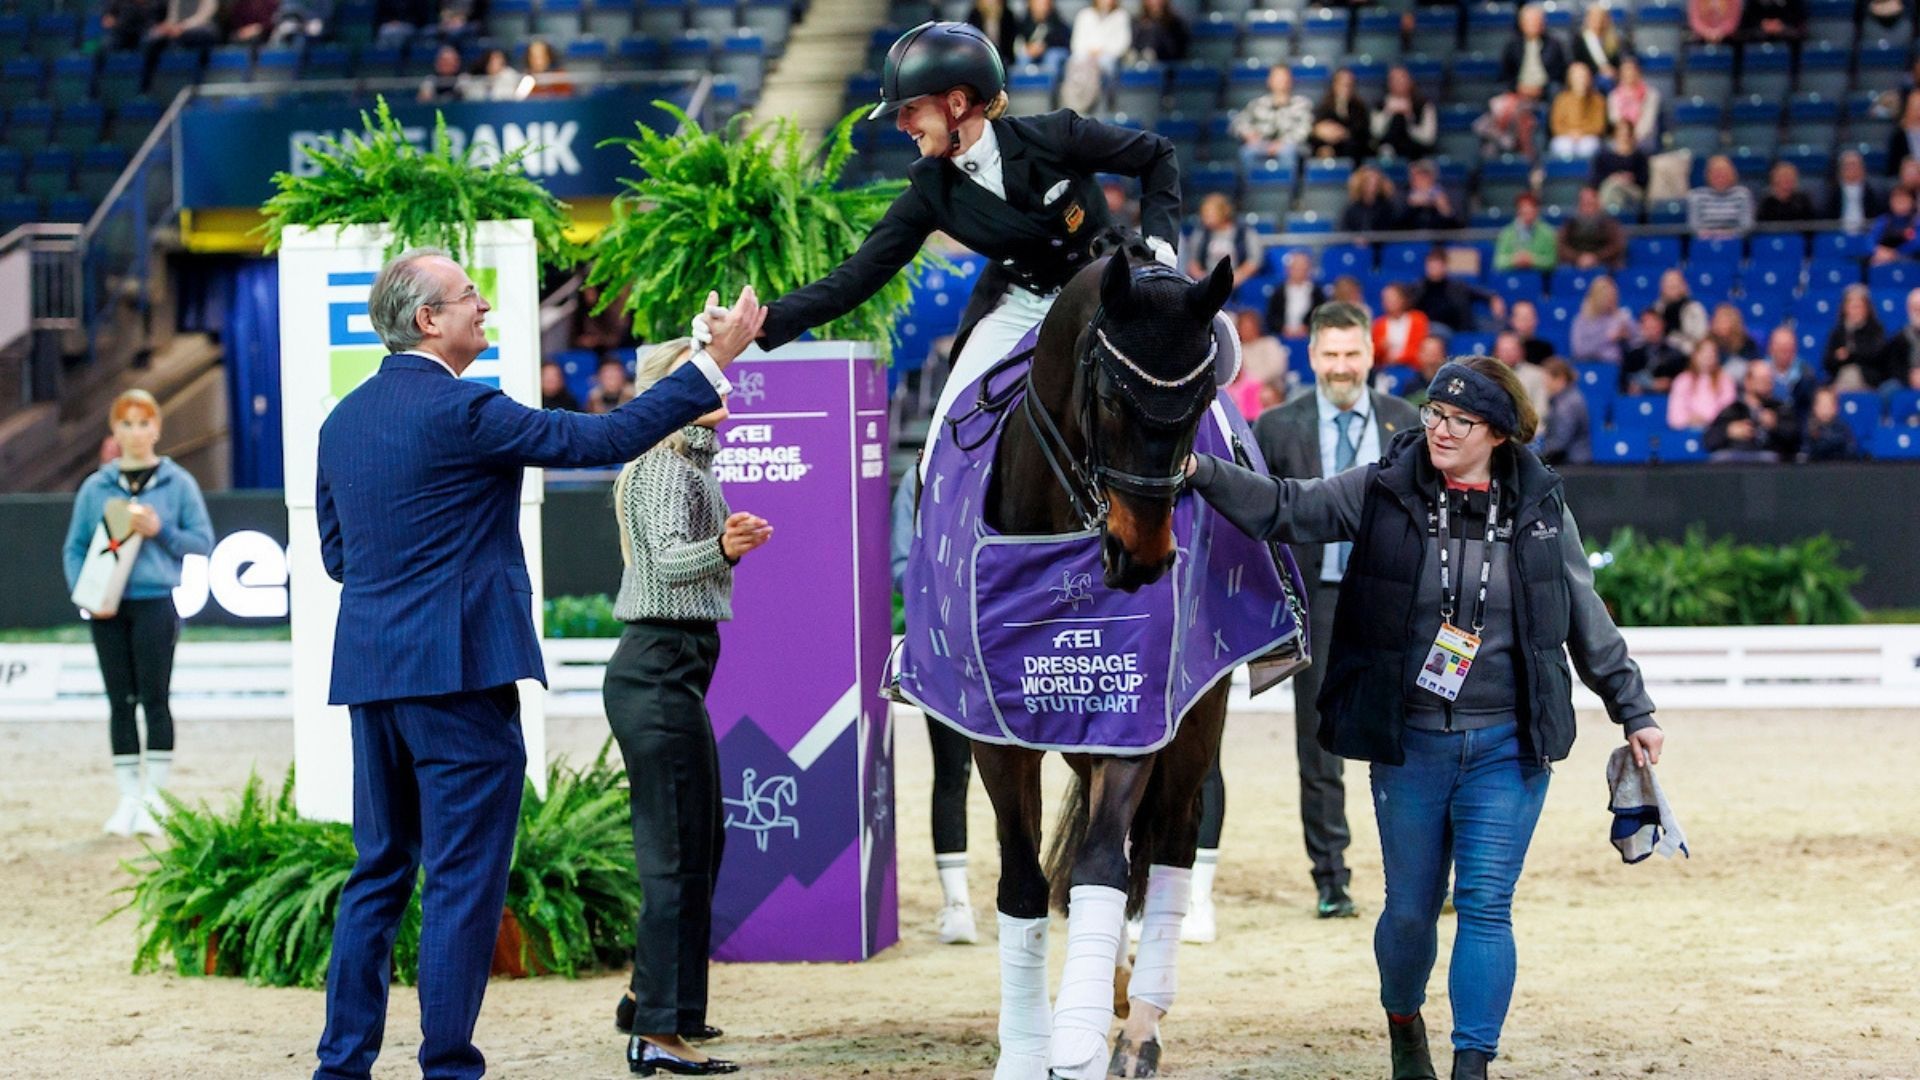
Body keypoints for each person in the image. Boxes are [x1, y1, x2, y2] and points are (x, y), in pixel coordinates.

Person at [308, 251, 758, 1080]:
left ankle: (342, 1065)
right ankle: (446, 1067)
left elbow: (339, 558)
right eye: (468, 297)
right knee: (461, 881)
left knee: (378, 871)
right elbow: (606, 436)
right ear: (427, 320)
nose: (484, 306)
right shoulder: (466, 410)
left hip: (373, 675)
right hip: (463, 677)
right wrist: (714, 361)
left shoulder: (342, 420)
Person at [1189, 355, 1662, 1080]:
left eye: (1459, 421)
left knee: (1484, 903)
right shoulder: (1385, 487)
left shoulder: (1539, 505)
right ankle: (1404, 1023)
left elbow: (1581, 610)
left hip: (1509, 743)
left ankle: (1472, 1064)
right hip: (1408, 742)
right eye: (1434, 414)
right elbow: (1288, 507)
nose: (1439, 429)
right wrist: (1199, 470)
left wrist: (1632, 705)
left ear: (1499, 434)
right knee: (1410, 912)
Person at [753, 22, 1181, 478]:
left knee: (1189, 377)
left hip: (1104, 289)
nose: (901, 125)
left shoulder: (1054, 135)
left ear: (956, 104)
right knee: (941, 440)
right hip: (1022, 301)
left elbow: (1157, 156)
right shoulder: (928, 190)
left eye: (910, 110)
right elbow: (857, 276)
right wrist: (762, 322)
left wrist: (1160, 246)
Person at [605, 339, 773, 1079]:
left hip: (669, 670)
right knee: (678, 855)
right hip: (659, 666)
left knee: (699, 843)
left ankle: (655, 1001)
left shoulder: (683, 464)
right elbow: (668, 561)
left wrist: (725, 546)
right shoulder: (665, 467)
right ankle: (657, 1031)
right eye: (703, 378)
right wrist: (726, 549)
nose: (721, 386)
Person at [1249, 302, 1422, 921]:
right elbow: (1260, 522)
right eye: (1330, 355)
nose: (1342, 367)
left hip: (1400, 603)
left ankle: (1424, 876)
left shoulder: (1411, 425)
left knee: (1416, 740)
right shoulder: (1274, 428)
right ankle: (1331, 878)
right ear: (1312, 356)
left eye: (1353, 354)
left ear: (1371, 355)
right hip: (1317, 603)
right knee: (1319, 747)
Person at [61, 389, 214, 838]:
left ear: (157, 428)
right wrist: (84, 591)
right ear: (115, 431)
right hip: (107, 607)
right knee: (119, 702)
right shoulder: (96, 488)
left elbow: (201, 542)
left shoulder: (178, 484)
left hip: (155, 603)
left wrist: (161, 531)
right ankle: (128, 796)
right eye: (125, 423)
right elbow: (73, 547)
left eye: (142, 422)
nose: (134, 432)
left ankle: (156, 798)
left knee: (155, 698)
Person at [889, 470, 984, 945]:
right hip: (946, 644)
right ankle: (956, 901)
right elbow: (901, 564)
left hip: (1008, 642)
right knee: (953, 771)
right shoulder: (922, 476)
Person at [1706, 358, 1801, 461]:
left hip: (1772, 469)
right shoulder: (1734, 410)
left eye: (1769, 379)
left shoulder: (1780, 409)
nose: (1767, 384)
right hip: (1738, 466)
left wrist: (1775, 425)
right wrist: (1728, 431)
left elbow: (1795, 439)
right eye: (1762, 379)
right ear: (1748, 382)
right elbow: (1709, 440)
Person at [1232, 64, 1316, 173]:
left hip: (1290, 145)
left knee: (1288, 151)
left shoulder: (1302, 104)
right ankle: (1251, 187)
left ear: (1290, 80)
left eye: (1284, 77)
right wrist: (1249, 134)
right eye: (1277, 77)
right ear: (1269, 81)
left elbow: (1305, 129)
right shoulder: (1257, 104)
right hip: (1261, 144)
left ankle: (1285, 187)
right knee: (1246, 152)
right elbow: (1238, 122)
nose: (1281, 81)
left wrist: (1282, 143)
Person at [1183, 192, 1264, 289]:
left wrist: (1235, 279)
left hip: (1239, 284)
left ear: (1224, 211)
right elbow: (1192, 261)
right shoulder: (1200, 233)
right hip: (1207, 284)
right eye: (1203, 214)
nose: (1204, 218)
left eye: (1209, 214)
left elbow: (1253, 261)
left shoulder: (1244, 232)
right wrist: (1203, 279)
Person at [1414, 247, 1503, 334]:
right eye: (1431, 265)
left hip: (1456, 329)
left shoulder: (1458, 287)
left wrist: (1493, 298)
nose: (1434, 268)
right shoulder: (1418, 289)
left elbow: (1481, 293)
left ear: (1445, 266)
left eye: (1438, 264)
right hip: (1430, 330)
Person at [1064, 0, 1130, 112]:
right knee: (1075, 61)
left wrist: (1102, 52)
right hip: (1085, 56)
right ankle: (1074, 104)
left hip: (1108, 56)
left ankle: (1102, 106)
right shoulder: (1084, 15)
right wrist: (1091, 53)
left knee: (1105, 63)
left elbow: (1122, 45)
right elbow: (1076, 44)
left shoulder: (1121, 15)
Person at [1231, 305, 1290, 420]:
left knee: (1267, 395)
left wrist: (1252, 382)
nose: (1246, 329)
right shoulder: (1237, 349)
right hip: (1241, 389)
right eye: (1243, 326)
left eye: (1249, 326)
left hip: (1269, 386)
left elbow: (1276, 368)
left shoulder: (1269, 343)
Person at [1822, 284, 1888, 389]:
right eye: (1852, 307)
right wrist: (1838, 358)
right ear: (1845, 309)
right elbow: (1828, 362)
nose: (1855, 311)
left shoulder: (1875, 330)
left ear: (1867, 309)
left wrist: (1849, 354)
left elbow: (1876, 356)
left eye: (1859, 306)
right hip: (1840, 379)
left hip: (1868, 382)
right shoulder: (1838, 331)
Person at [1499, 3, 1569, 100]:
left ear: (1543, 23)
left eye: (1537, 21)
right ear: (1521, 23)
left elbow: (1560, 74)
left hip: (1546, 90)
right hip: (1519, 90)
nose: (1534, 24)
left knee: (1556, 90)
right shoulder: (1512, 46)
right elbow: (1506, 75)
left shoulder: (1554, 45)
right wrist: (1518, 87)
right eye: (1530, 21)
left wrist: (1541, 89)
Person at [1372, 64, 1438, 161]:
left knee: (1401, 118)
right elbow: (1376, 133)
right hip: (1386, 155)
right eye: (1394, 79)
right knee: (1397, 119)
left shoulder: (1424, 106)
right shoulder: (1379, 105)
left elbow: (1428, 138)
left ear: (1410, 81)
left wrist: (1409, 119)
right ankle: (1389, 150)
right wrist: (1388, 113)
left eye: (1402, 78)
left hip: (1415, 153)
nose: (1398, 83)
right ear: (1389, 83)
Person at [1668, 339, 1737, 428]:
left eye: (1712, 352)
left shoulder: (1725, 380)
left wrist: (1707, 420)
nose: (1708, 355)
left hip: (1716, 430)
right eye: (1704, 352)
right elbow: (1674, 416)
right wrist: (1689, 419)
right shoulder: (1682, 380)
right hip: (1686, 430)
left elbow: (1728, 411)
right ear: (1695, 355)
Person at [1310, 66, 1373, 162]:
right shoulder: (1324, 107)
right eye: (1342, 83)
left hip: (1352, 152)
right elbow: (1315, 132)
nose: (1345, 87)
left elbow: (1363, 135)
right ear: (1334, 85)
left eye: (1348, 84)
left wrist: (1343, 133)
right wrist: (1318, 131)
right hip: (1326, 149)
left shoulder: (1360, 109)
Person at [1548, 62, 1608, 159]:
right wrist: (1570, 133)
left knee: (1588, 147)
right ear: (1570, 78)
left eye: (1583, 76)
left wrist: (1581, 132)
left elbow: (1599, 126)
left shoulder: (1598, 100)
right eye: (1577, 76)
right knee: (1563, 147)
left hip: (1588, 137)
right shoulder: (1561, 99)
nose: (1581, 80)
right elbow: (1556, 125)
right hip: (1566, 136)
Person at [1687, 155, 1756, 240]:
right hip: (1705, 242)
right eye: (1716, 173)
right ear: (1707, 175)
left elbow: (1747, 226)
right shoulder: (1696, 196)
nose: (1720, 177)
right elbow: (1694, 226)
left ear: (1732, 175)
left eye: (1724, 173)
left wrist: (1729, 234)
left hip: (1735, 242)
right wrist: (1711, 235)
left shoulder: (1743, 194)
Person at [1538, 357, 1591, 465]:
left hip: (1573, 464)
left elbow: (1560, 442)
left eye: (1547, 379)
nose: (1544, 384)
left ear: (1560, 379)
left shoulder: (1568, 404)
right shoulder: (1563, 400)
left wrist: (1534, 456)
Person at [1557, 186, 1625, 270]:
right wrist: (1578, 258)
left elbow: (1617, 245)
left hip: (1604, 265)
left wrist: (1596, 257)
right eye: (1584, 204)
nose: (1587, 208)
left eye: (1591, 204)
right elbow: (1561, 245)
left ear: (1598, 204)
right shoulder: (1570, 223)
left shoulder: (1610, 224)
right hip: (1575, 264)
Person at [1569, 276, 1634, 364]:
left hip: (1616, 366)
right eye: (1607, 296)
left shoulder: (1621, 316)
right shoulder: (1581, 320)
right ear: (1596, 297)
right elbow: (1579, 350)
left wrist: (1628, 335)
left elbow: (1639, 342)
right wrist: (1607, 338)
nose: (1612, 300)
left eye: (1614, 296)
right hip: (1588, 365)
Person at [1867, 286, 1920, 393]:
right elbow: (1893, 366)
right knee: (1887, 390)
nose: (1919, 312)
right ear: (1909, 309)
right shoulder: (1899, 338)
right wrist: (1909, 377)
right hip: (1906, 380)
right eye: (1915, 308)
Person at [1621, 307, 1687, 392]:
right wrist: (1635, 386)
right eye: (1645, 323)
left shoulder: (1676, 354)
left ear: (1662, 324)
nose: (1649, 327)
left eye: (1653, 323)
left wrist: (1669, 384)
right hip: (1640, 400)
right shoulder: (1633, 355)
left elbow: (1683, 380)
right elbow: (1624, 381)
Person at [1268, 249, 1328, 339]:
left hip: (1310, 337)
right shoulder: (1278, 292)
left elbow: (1321, 315)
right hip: (1281, 337)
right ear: (1288, 269)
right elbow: (1271, 317)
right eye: (1295, 267)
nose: (1299, 271)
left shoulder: (1317, 293)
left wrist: (1307, 328)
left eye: (1303, 267)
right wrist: (1283, 329)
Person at [1824, 150, 1889, 234]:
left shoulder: (1874, 193)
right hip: (1838, 237)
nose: (1851, 169)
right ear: (1840, 169)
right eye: (1848, 165)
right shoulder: (1830, 193)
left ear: (1863, 168)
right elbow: (1826, 221)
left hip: (1867, 236)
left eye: (1854, 165)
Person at [1760, 324, 1817, 418]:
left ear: (1795, 349)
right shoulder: (1760, 369)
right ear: (1770, 347)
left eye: (1788, 345)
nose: (1784, 350)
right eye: (1779, 345)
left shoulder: (1806, 373)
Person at [1591, 121, 1650, 213]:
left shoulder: (1639, 156)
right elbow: (1596, 179)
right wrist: (1613, 177)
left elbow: (1644, 179)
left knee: (1615, 188)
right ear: (1615, 134)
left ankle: (1610, 217)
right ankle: (1615, 217)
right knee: (1613, 188)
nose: (1624, 136)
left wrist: (1631, 178)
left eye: (1627, 133)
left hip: (1632, 190)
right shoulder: (1604, 156)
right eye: (1621, 133)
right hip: (1609, 187)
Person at [1605, 57, 1660, 153]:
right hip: (1621, 135)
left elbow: (1648, 121)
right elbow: (1615, 119)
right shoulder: (1613, 95)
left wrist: (1634, 136)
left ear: (1638, 73)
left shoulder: (1651, 94)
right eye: (1625, 71)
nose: (1629, 74)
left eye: (1632, 70)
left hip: (1643, 137)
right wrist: (1624, 135)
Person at [1494, 330, 1552, 419]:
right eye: (1504, 350)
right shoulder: (1487, 375)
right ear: (1496, 352)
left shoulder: (1537, 374)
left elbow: (1542, 409)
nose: (1508, 354)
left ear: (1521, 352)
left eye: (1512, 349)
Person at [1494, 193, 1557, 272]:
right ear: (1518, 211)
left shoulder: (1547, 233)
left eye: (1530, 208)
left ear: (1536, 210)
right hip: (1512, 277)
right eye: (1524, 209)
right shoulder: (1507, 233)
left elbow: (1551, 261)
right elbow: (1499, 261)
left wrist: (1532, 260)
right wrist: (1514, 260)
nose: (1527, 212)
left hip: (1539, 278)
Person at [1373, 283, 1431, 368]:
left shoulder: (1418, 319)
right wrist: (1381, 347)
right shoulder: (1379, 324)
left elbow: (1419, 348)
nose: (1389, 302)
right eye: (1386, 299)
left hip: (1413, 368)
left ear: (1403, 299)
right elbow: (1375, 355)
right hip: (1387, 369)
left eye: (1393, 298)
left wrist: (1398, 359)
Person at [1396, 160, 1462, 232]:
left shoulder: (1450, 195)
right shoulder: (1403, 195)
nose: (1413, 180)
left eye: (1419, 176)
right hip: (1410, 240)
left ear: (1431, 177)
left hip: (1438, 240)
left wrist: (1445, 211)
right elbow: (1394, 227)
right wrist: (1410, 207)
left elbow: (1460, 229)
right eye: (1412, 176)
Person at [1799, 386, 1862, 461]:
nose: (1825, 409)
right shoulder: (1808, 427)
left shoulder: (1842, 427)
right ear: (1814, 407)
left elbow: (1850, 449)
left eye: (1828, 405)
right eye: (1821, 405)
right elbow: (1805, 451)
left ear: (1836, 408)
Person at [1655, 269, 1709, 352]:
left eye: (1675, 284)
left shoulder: (1695, 309)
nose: (1672, 286)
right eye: (1668, 284)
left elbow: (1701, 337)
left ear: (1684, 286)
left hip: (1688, 352)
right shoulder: (1656, 309)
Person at [1571, 4, 1626, 82]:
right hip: (1589, 78)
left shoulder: (1614, 40)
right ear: (1588, 19)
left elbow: (1619, 61)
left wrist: (1614, 71)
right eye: (1594, 17)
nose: (1598, 21)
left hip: (1613, 78)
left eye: (1601, 17)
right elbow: (1578, 63)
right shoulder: (1579, 40)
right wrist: (1600, 71)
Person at [1014, 0, 1071, 75]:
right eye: (1038, 4)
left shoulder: (1057, 23)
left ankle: (1049, 84)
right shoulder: (1023, 24)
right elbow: (1017, 43)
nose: (1042, 7)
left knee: (1052, 56)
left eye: (1045, 4)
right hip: (1031, 55)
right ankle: (1024, 84)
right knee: (1023, 58)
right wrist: (1028, 49)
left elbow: (1065, 43)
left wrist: (1045, 47)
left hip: (1053, 54)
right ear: (1030, 4)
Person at [1868, 186, 1920, 265]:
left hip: (1909, 258)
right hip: (1883, 256)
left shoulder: (1916, 221)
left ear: (1912, 202)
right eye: (1896, 200)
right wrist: (1877, 249)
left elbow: (1917, 242)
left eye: (1903, 200)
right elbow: (1870, 239)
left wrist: (1895, 253)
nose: (1900, 203)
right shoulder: (1883, 220)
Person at [1342, 165, 1400, 233]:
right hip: (1356, 243)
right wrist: (1355, 238)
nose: (1373, 187)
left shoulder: (1387, 207)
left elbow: (1394, 228)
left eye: (1375, 183)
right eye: (1368, 183)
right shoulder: (1351, 208)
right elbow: (1342, 229)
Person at [966, 0, 1018, 66]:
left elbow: (1009, 46)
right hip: (980, 60)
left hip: (1004, 60)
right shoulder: (974, 15)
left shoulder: (1007, 15)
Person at [1507, 300, 1555, 366]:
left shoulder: (1545, 348)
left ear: (1536, 320)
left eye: (1528, 317)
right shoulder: (1502, 346)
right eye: (1521, 317)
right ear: (1511, 320)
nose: (1525, 321)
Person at [1889, 90, 1920, 179]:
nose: (1919, 112)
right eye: (1916, 107)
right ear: (1908, 109)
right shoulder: (1898, 138)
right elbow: (1892, 170)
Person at [1741, 0, 1807, 38]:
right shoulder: (1751, 3)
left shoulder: (1794, 2)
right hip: (1756, 40)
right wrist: (1760, 26)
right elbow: (1745, 25)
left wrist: (1783, 26)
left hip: (1788, 40)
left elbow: (1800, 23)